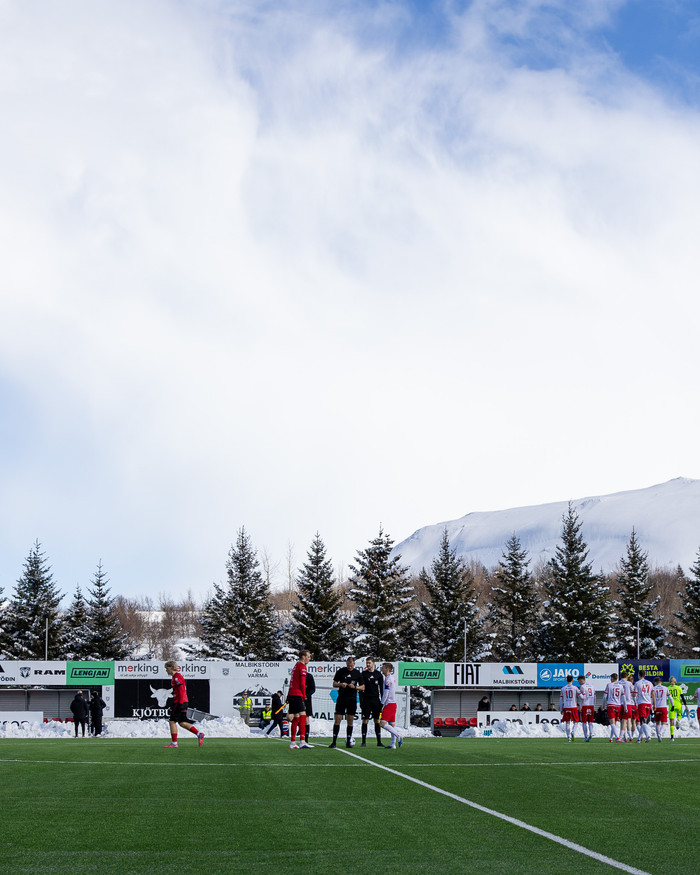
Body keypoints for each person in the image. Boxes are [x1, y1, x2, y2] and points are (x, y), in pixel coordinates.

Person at [164, 660, 204, 748]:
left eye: (167, 668)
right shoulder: (175, 677)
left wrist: (181, 702)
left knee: (172, 721)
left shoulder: (177, 677)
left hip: (180, 702)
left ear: (171, 667)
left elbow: (181, 690)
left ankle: (174, 743)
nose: (166, 670)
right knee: (182, 723)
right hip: (182, 702)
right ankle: (199, 734)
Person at [330, 656, 364, 748]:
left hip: (352, 699)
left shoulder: (357, 673)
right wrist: (341, 684)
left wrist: (355, 687)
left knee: (350, 720)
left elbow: (362, 687)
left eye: (351, 665)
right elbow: (334, 683)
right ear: (346, 663)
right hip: (341, 699)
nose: (349, 667)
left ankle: (348, 742)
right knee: (338, 719)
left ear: (354, 664)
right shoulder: (341, 671)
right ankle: (334, 742)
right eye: (348, 665)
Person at [287, 649, 313, 749]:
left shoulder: (295, 666)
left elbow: (291, 682)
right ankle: (302, 741)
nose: (309, 659)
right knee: (303, 716)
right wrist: (304, 695)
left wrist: (289, 695)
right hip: (298, 694)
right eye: (308, 657)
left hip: (292, 694)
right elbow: (302, 683)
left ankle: (293, 742)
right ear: (303, 657)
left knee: (296, 718)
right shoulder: (302, 667)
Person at [359, 657, 384, 747]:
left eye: (369, 663)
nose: (368, 664)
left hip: (376, 700)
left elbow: (382, 689)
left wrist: (382, 702)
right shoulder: (363, 674)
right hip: (366, 700)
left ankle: (379, 741)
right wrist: (361, 701)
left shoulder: (378, 674)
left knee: (376, 720)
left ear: (373, 663)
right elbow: (361, 689)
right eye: (367, 663)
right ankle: (363, 741)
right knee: (365, 720)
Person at [379, 662, 404, 749]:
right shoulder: (391, 678)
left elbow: (386, 692)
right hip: (393, 704)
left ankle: (398, 735)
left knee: (382, 724)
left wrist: (382, 703)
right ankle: (393, 744)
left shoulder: (388, 679)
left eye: (383, 667)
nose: (381, 669)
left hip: (389, 704)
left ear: (387, 669)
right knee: (392, 725)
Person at [633, 670, 654, 743]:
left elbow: (634, 694)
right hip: (648, 703)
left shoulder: (637, 683)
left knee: (642, 721)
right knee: (643, 721)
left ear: (639, 675)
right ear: (644, 675)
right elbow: (653, 694)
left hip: (641, 703)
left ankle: (648, 736)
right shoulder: (650, 683)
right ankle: (639, 739)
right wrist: (653, 704)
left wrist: (634, 700)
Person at [602, 673, 624, 742]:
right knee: (614, 723)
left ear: (612, 678)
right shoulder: (620, 686)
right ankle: (611, 738)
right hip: (618, 705)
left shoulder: (609, 685)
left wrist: (603, 705)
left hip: (611, 705)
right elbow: (623, 697)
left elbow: (604, 696)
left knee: (612, 723)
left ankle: (617, 738)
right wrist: (625, 706)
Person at [559, 675, 580, 742]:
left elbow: (561, 700)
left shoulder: (563, 688)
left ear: (566, 680)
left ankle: (569, 737)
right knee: (576, 721)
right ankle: (573, 731)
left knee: (567, 722)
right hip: (573, 706)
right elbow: (581, 696)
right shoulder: (575, 688)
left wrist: (561, 709)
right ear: (572, 680)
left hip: (566, 707)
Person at [576, 675, 596, 742]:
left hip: (585, 705)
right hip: (591, 705)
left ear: (581, 680)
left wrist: (580, 706)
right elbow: (595, 696)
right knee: (590, 721)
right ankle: (591, 733)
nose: (579, 683)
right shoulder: (592, 686)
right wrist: (594, 704)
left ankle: (586, 736)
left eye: (579, 681)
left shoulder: (582, 687)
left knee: (584, 722)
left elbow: (583, 697)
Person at [652, 677, 672, 742]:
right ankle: (660, 733)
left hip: (656, 707)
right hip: (663, 707)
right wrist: (672, 705)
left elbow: (651, 698)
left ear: (655, 682)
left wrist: (652, 705)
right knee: (664, 723)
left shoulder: (653, 688)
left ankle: (658, 735)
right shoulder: (665, 688)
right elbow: (670, 698)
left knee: (657, 723)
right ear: (661, 682)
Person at [619, 672, 637, 742]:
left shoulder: (618, 683)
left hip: (619, 703)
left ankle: (625, 737)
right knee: (627, 720)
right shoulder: (629, 683)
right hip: (628, 703)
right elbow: (633, 694)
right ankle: (628, 736)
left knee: (622, 721)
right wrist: (635, 702)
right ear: (626, 677)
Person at [304, 669, 316, 744]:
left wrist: (307, 695)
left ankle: (305, 739)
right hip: (298, 699)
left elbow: (313, 689)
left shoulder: (309, 676)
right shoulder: (296, 676)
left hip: (307, 701)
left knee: (306, 719)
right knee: (291, 717)